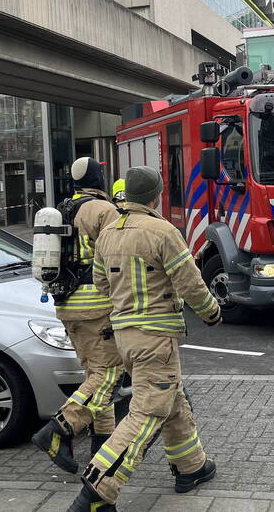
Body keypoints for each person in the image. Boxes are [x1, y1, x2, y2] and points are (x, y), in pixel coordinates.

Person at [67, 166, 221, 511]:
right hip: (155, 336)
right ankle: (97, 491)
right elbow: (190, 282)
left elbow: (101, 283)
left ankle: (191, 467)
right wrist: (211, 312)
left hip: (124, 336)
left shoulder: (108, 233)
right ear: (157, 195)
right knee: (146, 414)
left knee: (172, 401)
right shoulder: (162, 231)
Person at [31, 157, 125, 473]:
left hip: (66, 305)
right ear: (100, 178)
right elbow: (117, 260)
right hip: (97, 307)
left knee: (95, 377)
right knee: (107, 376)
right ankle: (58, 430)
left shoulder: (63, 208)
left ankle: (101, 456)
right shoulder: (104, 211)